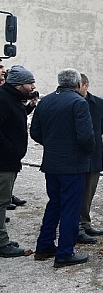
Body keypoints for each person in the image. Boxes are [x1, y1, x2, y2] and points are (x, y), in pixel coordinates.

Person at [30, 68, 95, 268]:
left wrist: (53, 144)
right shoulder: (78, 102)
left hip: (52, 163)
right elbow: (86, 137)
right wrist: (87, 151)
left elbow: (35, 132)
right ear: (77, 84)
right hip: (73, 165)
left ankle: (44, 246)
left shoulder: (46, 101)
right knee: (70, 208)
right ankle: (65, 252)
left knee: (55, 204)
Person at [0, 65, 36, 257]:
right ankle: (1, 243)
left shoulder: (12, 99)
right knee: (1, 202)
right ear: (18, 84)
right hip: (4, 162)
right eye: (29, 83)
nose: (32, 86)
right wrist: (11, 150)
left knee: (3, 202)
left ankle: (2, 238)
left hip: (9, 161)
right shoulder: (3, 100)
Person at [76, 74, 103, 244]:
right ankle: (77, 226)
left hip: (94, 153)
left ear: (86, 85)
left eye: (78, 85)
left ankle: (85, 222)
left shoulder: (99, 104)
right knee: (76, 192)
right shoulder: (69, 103)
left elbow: (100, 127)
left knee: (89, 191)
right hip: (75, 155)